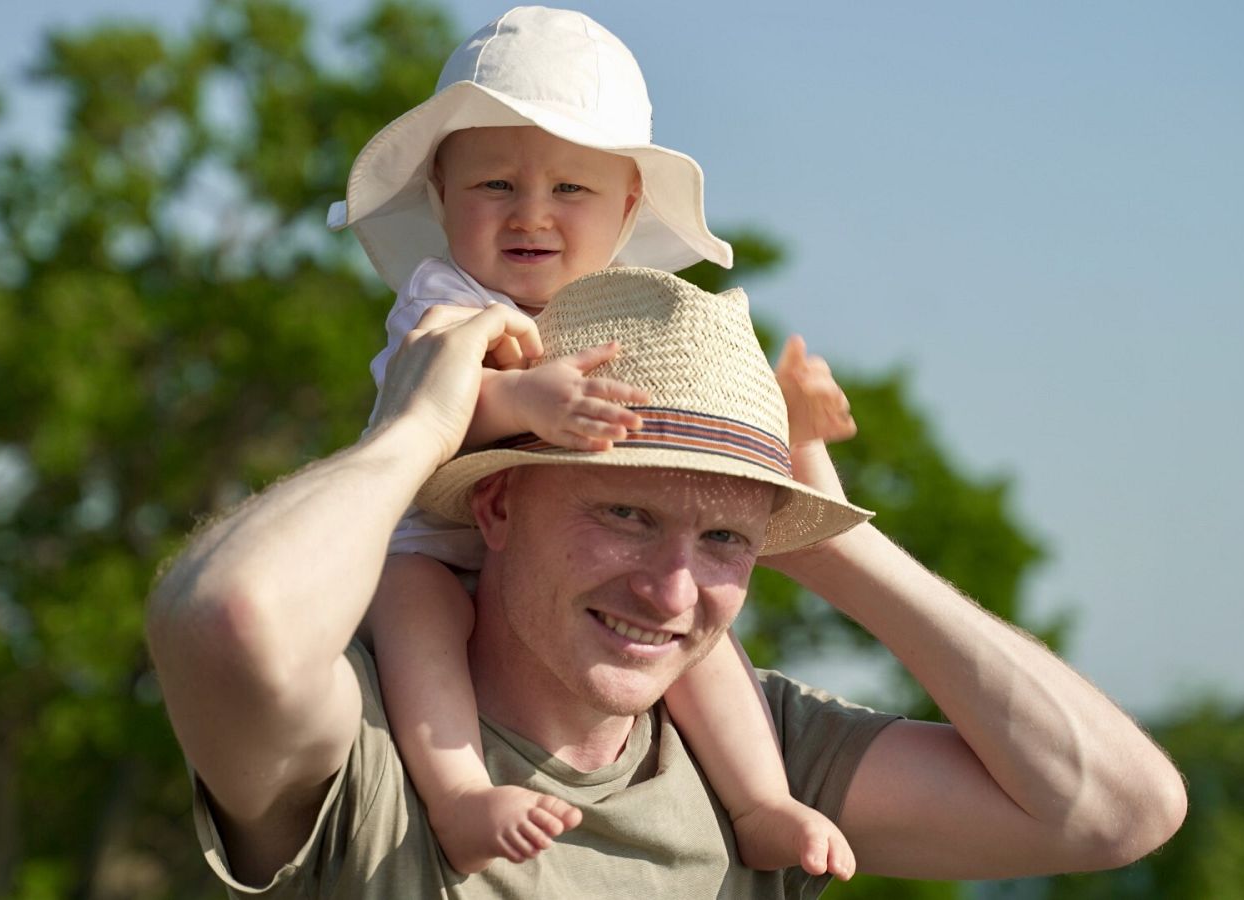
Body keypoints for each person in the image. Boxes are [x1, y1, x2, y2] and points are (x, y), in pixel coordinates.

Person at [146, 266, 1187, 897]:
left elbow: (1116, 811)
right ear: (497, 506)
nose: (671, 591)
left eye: (725, 543)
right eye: (625, 516)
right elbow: (230, 622)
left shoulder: (754, 758)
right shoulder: (370, 754)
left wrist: (822, 536)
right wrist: (415, 433)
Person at [327, 6, 857, 878]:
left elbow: (689, 438)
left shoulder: (625, 311)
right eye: (494, 186)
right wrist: (517, 396)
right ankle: (458, 792)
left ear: (628, 205)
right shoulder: (445, 296)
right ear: (440, 194)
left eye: (570, 190)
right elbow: (419, 410)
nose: (530, 216)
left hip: (572, 558)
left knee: (689, 632)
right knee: (416, 603)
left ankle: (762, 800)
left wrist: (785, 423)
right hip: (436, 533)